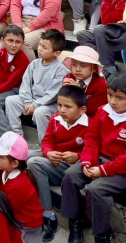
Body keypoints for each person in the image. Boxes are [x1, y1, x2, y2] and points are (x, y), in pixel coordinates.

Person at [61, 71, 126, 243]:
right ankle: (75, 222)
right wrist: (87, 160)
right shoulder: (103, 111)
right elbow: (92, 139)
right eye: (110, 95)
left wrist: (102, 171)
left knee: (94, 189)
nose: (112, 101)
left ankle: (102, 234)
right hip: (101, 158)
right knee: (70, 176)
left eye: (119, 98)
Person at [27, 84, 90, 241]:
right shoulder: (55, 119)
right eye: (60, 105)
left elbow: (92, 151)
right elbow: (47, 140)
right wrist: (49, 152)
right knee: (29, 159)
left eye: (68, 107)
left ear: (82, 110)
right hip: (58, 163)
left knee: (34, 162)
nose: (62, 110)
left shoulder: (90, 125)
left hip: (77, 169)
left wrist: (78, 156)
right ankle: (48, 215)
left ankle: (75, 224)